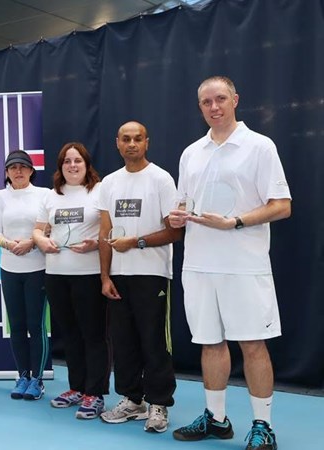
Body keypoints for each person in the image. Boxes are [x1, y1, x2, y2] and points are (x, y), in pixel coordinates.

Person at [169, 76, 291, 450]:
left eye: (221, 99)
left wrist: (234, 222)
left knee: (253, 345)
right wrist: (177, 217)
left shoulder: (259, 146)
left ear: (235, 99)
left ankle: (263, 424)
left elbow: (282, 206)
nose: (214, 107)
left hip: (244, 264)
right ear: (200, 107)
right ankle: (217, 419)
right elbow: (184, 205)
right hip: (199, 265)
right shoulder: (192, 152)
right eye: (206, 102)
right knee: (210, 344)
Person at [96, 121, 182, 433]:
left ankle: (159, 403)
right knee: (124, 341)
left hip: (152, 274)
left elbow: (175, 231)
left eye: (138, 138)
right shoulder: (109, 183)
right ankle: (134, 400)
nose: (132, 144)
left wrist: (137, 242)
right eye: (126, 139)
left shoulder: (160, 179)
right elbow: (104, 232)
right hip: (119, 276)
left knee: (154, 340)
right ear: (117, 143)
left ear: (147, 142)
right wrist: (105, 277)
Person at [32, 142, 110, 418]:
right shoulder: (52, 196)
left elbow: (107, 230)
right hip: (56, 275)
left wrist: (95, 243)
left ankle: (95, 392)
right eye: (67, 161)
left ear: (87, 165)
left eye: (78, 161)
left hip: (88, 275)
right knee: (70, 335)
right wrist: (42, 241)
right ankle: (77, 387)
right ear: (60, 166)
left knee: (93, 335)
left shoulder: (99, 192)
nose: (72, 165)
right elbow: (39, 230)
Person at [0, 150, 49, 401]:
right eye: (13, 167)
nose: (18, 171)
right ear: (6, 172)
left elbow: (48, 228)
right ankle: (23, 375)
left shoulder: (44, 195)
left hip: (38, 269)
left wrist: (31, 243)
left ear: (31, 170)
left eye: (23, 167)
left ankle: (37, 379)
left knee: (36, 326)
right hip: (9, 269)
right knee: (17, 326)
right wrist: (7, 244)